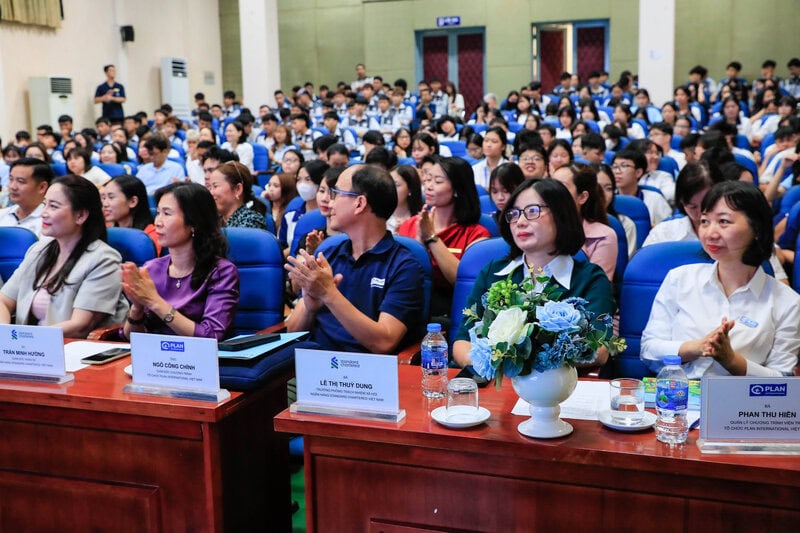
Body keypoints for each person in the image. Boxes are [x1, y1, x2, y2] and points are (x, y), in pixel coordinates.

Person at [641, 181, 800, 377]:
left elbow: (782, 380)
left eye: (724, 222)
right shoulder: (679, 278)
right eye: (705, 221)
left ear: (757, 228)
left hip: (743, 403)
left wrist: (731, 360)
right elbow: (649, 348)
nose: (710, 233)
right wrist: (698, 347)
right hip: (676, 397)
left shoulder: (787, 302)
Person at [452, 178, 615, 368]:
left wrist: (525, 364)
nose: (520, 222)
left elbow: (599, 350)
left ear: (561, 215)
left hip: (559, 389)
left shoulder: (590, 279)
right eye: (514, 214)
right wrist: (492, 363)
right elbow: (462, 342)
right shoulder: (493, 272)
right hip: (494, 384)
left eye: (532, 211)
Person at [285, 164, 425, 353]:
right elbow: (291, 332)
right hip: (315, 365)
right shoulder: (329, 254)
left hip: (367, 375)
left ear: (359, 203)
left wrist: (329, 294)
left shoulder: (404, 265)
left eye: (336, 194)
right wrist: (310, 305)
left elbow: (384, 342)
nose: (329, 203)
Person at [0, 175, 129, 336]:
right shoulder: (39, 250)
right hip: (27, 350)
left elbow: (80, 325)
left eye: (53, 206)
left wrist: (25, 339)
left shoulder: (104, 259)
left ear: (81, 215)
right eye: (44, 204)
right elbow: (4, 301)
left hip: (70, 350)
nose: (44, 213)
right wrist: (6, 335)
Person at [121, 182, 239, 340]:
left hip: (200, 361)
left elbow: (211, 335)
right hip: (156, 358)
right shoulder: (151, 269)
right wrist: (137, 307)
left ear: (194, 223)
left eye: (167, 214)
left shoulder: (221, 272)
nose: (158, 222)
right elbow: (131, 338)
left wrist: (155, 302)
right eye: (158, 213)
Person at [398, 156, 489, 318]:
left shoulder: (477, 234)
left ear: (457, 189)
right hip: (407, 304)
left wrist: (431, 237)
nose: (429, 186)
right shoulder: (410, 224)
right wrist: (418, 246)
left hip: (451, 310)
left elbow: (460, 280)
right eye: (428, 179)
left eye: (438, 181)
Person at [551, 165, 618, 280]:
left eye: (561, 186)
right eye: (551, 184)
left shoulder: (603, 236)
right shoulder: (538, 227)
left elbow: (596, 288)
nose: (552, 192)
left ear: (582, 197)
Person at [101, 174, 161, 255]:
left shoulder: (151, 236)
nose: (104, 204)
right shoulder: (105, 229)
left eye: (111, 197)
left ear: (133, 201)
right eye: (104, 198)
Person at [612, 149, 672, 226]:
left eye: (624, 166)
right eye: (614, 166)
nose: (617, 171)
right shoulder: (608, 198)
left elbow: (668, 229)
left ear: (638, 172)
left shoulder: (655, 199)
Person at [279, 159, 329, 251]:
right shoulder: (292, 211)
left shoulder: (330, 213)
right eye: (299, 179)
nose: (302, 184)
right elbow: (282, 245)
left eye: (307, 179)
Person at [0, 158, 53, 237]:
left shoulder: (51, 222)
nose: (12, 187)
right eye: (11, 179)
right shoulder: (2, 214)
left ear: (42, 187)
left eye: (21, 181)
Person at [208, 161, 266, 229]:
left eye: (215, 186)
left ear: (238, 189)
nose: (210, 192)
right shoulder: (213, 221)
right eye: (209, 187)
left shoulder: (251, 221)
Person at [387, 164, 423, 234]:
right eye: (388, 184)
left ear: (410, 189)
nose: (389, 189)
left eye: (396, 185)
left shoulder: (421, 220)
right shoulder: (378, 216)